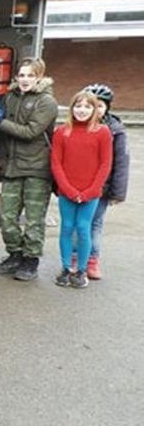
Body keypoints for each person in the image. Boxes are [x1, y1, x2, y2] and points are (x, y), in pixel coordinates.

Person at [0, 57, 58, 282]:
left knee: (34, 219)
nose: (25, 79)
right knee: (7, 216)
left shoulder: (46, 102)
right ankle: (14, 254)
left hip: (36, 169)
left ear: (39, 77)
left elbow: (30, 132)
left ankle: (31, 260)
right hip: (12, 167)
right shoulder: (11, 97)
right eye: (21, 75)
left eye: (30, 75)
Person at [50, 91, 113, 288]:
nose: (82, 110)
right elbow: (56, 163)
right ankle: (66, 267)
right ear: (72, 108)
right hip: (67, 191)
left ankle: (81, 270)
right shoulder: (62, 131)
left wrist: (91, 191)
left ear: (94, 110)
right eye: (78, 106)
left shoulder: (102, 132)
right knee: (67, 227)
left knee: (84, 228)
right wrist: (67, 189)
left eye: (87, 106)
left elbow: (105, 164)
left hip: (90, 193)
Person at [82, 83, 130, 280]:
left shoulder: (115, 130)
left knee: (94, 224)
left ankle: (92, 261)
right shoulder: (77, 126)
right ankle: (76, 258)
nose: (96, 110)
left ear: (107, 108)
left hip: (102, 187)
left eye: (100, 106)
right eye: (91, 105)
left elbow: (122, 162)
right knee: (78, 224)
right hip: (79, 185)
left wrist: (118, 192)